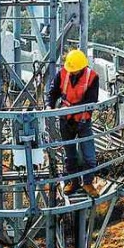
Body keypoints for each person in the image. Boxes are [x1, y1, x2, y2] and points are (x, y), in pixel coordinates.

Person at [47, 48, 99, 197]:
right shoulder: (63, 73)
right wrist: (49, 105)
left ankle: (88, 183)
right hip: (66, 120)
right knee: (70, 155)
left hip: (83, 121)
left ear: (82, 67)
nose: (72, 72)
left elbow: (91, 101)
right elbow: (53, 92)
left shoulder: (92, 77)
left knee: (89, 156)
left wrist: (74, 110)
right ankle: (73, 182)